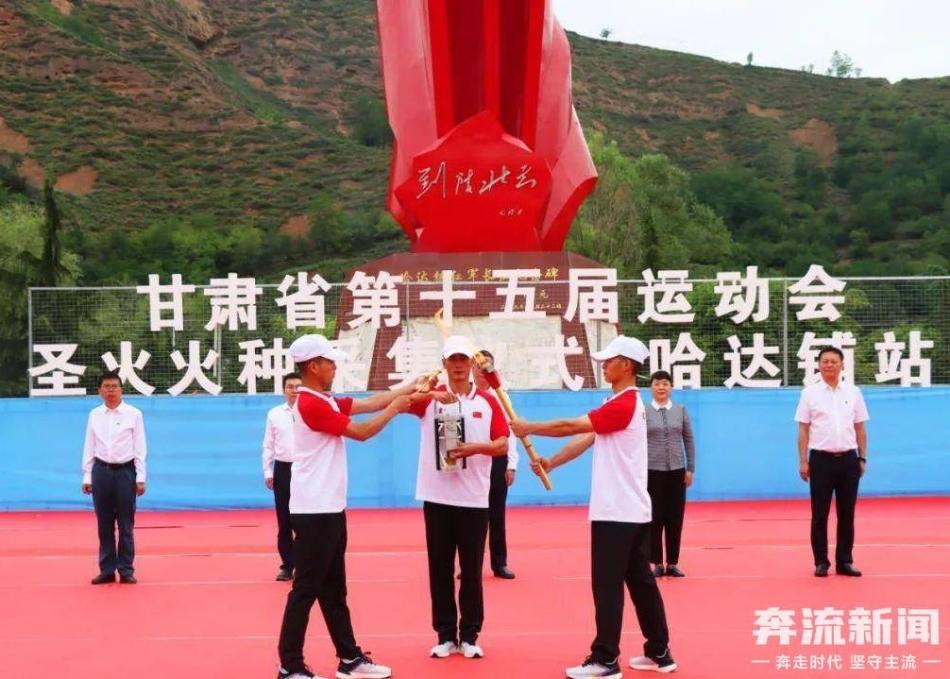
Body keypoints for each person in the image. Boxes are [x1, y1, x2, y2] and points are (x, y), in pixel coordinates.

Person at [511, 336, 677, 677]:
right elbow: (585, 438)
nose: (604, 365)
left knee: (607, 586)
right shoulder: (619, 404)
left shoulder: (625, 404)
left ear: (626, 365)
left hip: (616, 513)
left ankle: (606, 659)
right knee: (641, 583)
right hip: (631, 511)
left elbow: (571, 425)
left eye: (610, 360)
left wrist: (529, 427)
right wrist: (552, 462)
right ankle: (659, 651)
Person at [277, 334, 418, 679]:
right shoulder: (311, 405)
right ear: (314, 366)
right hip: (314, 511)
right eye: (330, 362)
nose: (334, 367)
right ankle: (289, 665)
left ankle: (350, 659)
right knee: (306, 589)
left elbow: (369, 404)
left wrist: (411, 388)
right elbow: (363, 431)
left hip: (329, 507)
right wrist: (396, 409)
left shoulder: (322, 399)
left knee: (333, 590)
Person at [407, 336, 510, 660]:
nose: (458, 365)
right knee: (439, 569)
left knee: (471, 570)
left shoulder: (488, 401)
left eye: (463, 359)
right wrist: (430, 391)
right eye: (452, 359)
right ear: (444, 364)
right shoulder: (431, 399)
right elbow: (404, 402)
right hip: (436, 496)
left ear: (472, 364)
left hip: (474, 499)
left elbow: (502, 444)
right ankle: (445, 635)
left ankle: (469, 636)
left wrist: (475, 448)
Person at [795, 346, 869, 578]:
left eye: (833, 361)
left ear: (842, 365)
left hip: (848, 459)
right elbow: (803, 429)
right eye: (825, 361)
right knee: (820, 514)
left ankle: (845, 561)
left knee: (847, 513)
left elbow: (860, 427)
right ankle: (821, 561)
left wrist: (862, 457)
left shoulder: (853, 392)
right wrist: (803, 461)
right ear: (818, 365)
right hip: (821, 460)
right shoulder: (809, 393)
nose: (829, 365)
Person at [81, 370, 147, 585]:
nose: (111, 391)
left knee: (126, 523)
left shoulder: (134, 414)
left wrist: (140, 477)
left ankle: (126, 569)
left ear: (121, 389)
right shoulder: (94, 415)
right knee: (104, 524)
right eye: (106, 387)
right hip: (101, 471)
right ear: (100, 391)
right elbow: (89, 446)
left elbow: (140, 448)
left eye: (114, 386)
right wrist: (87, 476)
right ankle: (107, 569)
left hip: (125, 472)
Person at [645, 370, 695, 579]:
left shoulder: (680, 410)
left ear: (671, 388)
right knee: (654, 518)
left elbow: (688, 439)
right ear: (651, 388)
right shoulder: (644, 412)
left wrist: (690, 468)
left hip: (676, 472)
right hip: (651, 472)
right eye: (657, 384)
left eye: (665, 384)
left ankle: (672, 563)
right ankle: (657, 563)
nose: (661, 387)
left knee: (675, 518)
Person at [474, 350, 518, 580]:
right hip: (472, 460)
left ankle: (499, 563)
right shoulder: (465, 395)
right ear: (473, 369)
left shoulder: (501, 396)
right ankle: (471, 564)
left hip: (497, 459)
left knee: (496, 513)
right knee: (471, 514)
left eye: (487, 367)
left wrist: (512, 464)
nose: (483, 371)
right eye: (479, 367)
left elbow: (512, 432)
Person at [263, 372, 303, 582]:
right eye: (290, 387)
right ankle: (288, 565)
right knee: (284, 520)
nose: (294, 391)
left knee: (305, 520)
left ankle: (305, 566)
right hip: (283, 469)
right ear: (283, 390)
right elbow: (268, 445)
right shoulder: (274, 414)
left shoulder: (310, 412)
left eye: (298, 387)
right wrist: (268, 471)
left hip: (306, 469)